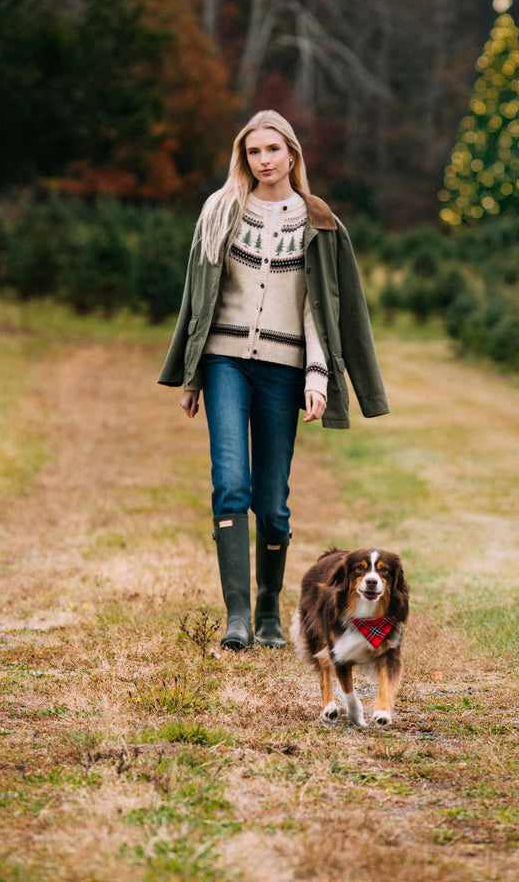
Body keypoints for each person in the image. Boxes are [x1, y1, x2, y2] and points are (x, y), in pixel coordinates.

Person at [158, 111, 389, 651]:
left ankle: (267, 609)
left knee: (274, 503)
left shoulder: (318, 220)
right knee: (231, 484)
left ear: (292, 155)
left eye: (272, 150)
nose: (263, 160)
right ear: (245, 157)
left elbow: (322, 307)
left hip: (284, 370)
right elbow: (198, 298)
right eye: (253, 152)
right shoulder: (220, 212)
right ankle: (237, 615)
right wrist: (191, 374)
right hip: (224, 361)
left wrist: (317, 372)